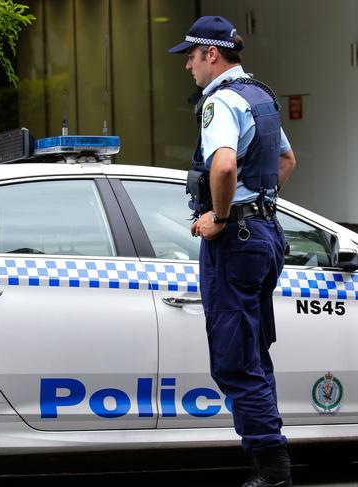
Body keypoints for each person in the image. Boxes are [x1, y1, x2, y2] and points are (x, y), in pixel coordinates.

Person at [169, 16, 297, 487]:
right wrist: (258, 201)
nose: (188, 66)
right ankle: (270, 462)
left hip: (236, 242)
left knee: (234, 361)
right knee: (254, 354)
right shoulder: (261, 98)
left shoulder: (220, 101)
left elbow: (222, 166)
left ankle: (271, 468)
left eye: (190, 56)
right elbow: (286, 159)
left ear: (212, 54)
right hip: (265, 235)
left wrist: (222, 216)